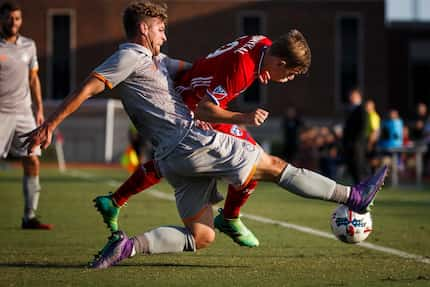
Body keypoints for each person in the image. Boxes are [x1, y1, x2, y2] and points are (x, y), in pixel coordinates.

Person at [22, 0, 387, 269]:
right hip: (190, 140)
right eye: (161, 28)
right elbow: (89, 86)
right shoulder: (130, 57)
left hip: (172, 158)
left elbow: (196, 69)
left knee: (202, 236)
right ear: (144, 29)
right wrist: (50, 124)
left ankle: (126, 248)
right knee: (273, 165)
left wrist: (247, 71)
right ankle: (352, 195)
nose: (165, 34)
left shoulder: (157, 61)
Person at [93, 30, 304, 248]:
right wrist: (245, 117)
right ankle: (230, 218)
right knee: (253, 157)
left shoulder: (262, 42)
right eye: (291, 74)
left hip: (192, 93)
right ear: (280, 62)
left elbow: (239, 60)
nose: (289, 79)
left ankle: (116, 200)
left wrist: (262, 69)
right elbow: (211, 102)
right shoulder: (243, 67)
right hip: (194, 106)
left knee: (171, 159)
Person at [0, 2, 52, 230]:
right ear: (2, 19)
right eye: (10, 17)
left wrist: (39, 109)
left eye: (18, 18)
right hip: (0, 113)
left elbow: (33, 79)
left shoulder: (29, 46)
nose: (14, 22)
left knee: (32, 159)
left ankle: (29, 217)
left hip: (24, 112)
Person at [342, 88, 367, 184]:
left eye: (353, 95)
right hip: (349, 143)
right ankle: (357, 186)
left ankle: (361, 186)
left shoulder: (361, 109)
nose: (350, 97)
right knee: (351, 165)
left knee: (358, 165)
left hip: (357, 144)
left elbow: (362, 128)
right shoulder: (350, 109)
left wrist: (356, 142)